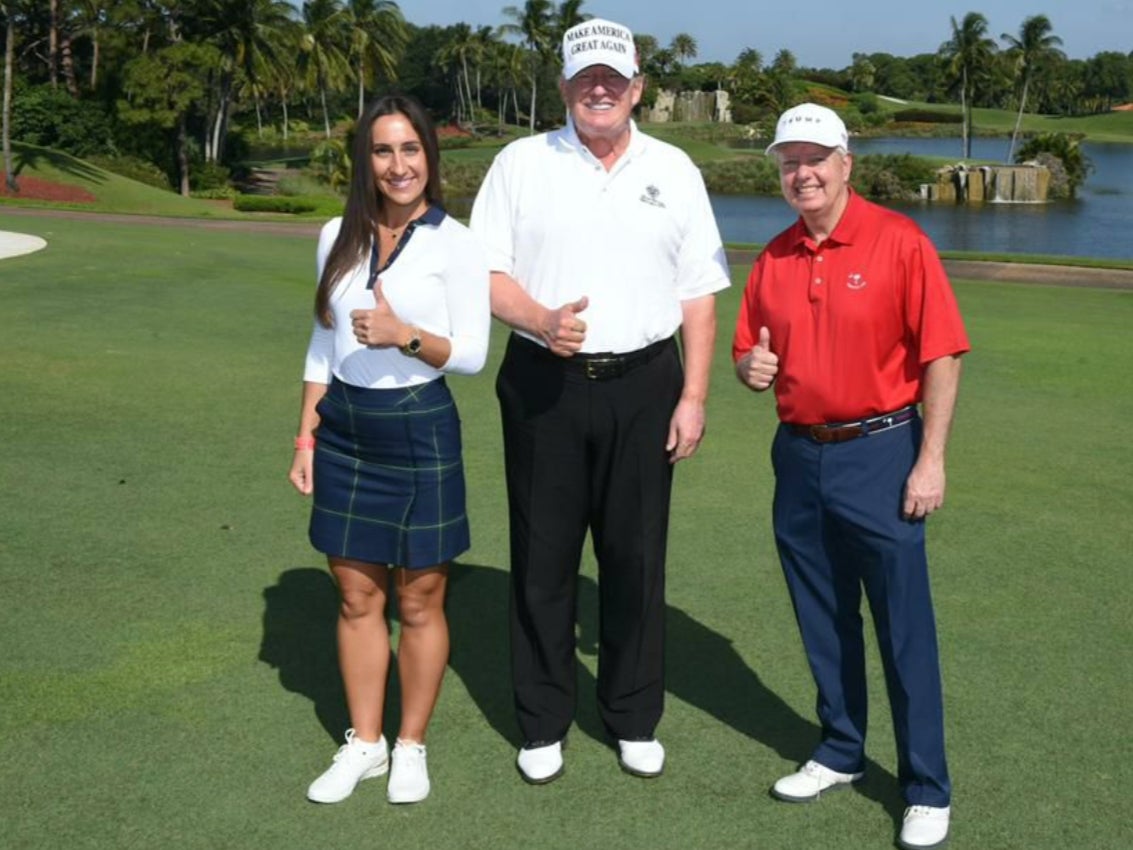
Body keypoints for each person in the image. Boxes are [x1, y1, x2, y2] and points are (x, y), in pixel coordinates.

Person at [470, 17, 730, 785]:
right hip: (542, 383)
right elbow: (487, 275)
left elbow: (699, 295)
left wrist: (694, 395)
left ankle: (631, 714)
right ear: (563, 87)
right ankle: (543, 719)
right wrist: (540, 320)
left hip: (646, 385)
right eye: (585, 77)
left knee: (635, 557)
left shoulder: (675, 168)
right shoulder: (520, 163)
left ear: (637, 89)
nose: (599, 89)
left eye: (612, 78)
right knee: (543, 557)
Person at [732, 103, 968, 850]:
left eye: (814, 159)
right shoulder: (772, 257)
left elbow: (941, 355)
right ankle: (838, 749)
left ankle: (926, 787)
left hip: (880, 448)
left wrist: (929, 459)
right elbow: (747, 354)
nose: (801, 173)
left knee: (903, 629)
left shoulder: (900, 241)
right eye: (788, 162)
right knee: (820, 614)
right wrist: (747, 368)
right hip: (798, 456)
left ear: (845, 165)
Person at [288, 94, 490, 806]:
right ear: (364, 160)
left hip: (418, 424)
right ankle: (365, 743)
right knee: (354, 594)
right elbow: (322, 341)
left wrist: (405, 334)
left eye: (410, 149)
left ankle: (410, 745)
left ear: (429, 156)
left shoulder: (456, 243)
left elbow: (470, 354)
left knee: (421, 597)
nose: (398, 165)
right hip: (343, 425)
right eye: (382, 150)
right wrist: (307, 432)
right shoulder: (334, 235)